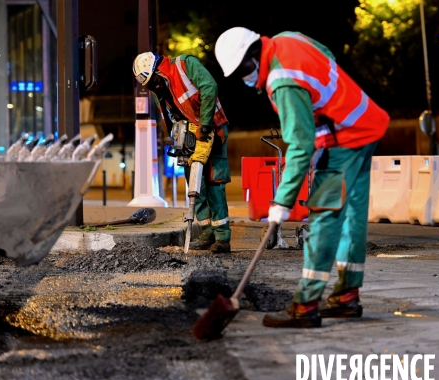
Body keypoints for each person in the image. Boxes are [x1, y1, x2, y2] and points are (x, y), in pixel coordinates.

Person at [214, 28, 389, 327]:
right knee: (351, 217)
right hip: (364, 125)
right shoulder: (288, 39)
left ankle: (306, 306)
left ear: (254, 55)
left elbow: (299, 145)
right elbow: (327, 60)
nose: (244, 77)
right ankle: (347, 296)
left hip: (343, 141)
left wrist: (282, 201)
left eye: (243, 69)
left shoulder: (282, 81)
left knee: (323, 217)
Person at [133, 52, 232, 253]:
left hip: (212, 128)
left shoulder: (186, 65)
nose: (155, 88)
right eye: (151, 86)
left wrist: (204, 125)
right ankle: (206, 233)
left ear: (158, 70)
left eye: (155, 82)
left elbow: (209, 87)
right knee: (196, 184)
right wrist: (176, 137)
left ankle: (222, 236)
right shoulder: (158, 88)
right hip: (188, 135)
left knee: (213, 182)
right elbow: (168, 115)